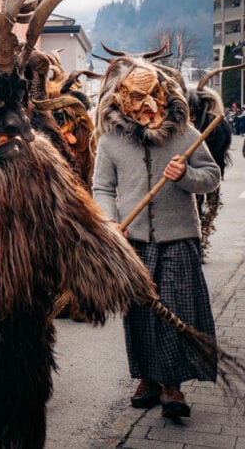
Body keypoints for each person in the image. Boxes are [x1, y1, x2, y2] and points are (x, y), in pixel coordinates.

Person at [93, 57, 221, 419]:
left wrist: (184, 177)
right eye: (138, 97)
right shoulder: (111, 140)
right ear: (121, 99)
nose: (149, 105)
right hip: (133, 242)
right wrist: (109, 221)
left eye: (154, 95)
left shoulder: (186, 134)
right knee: (141, 315)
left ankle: (173, 387)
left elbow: (211, 177)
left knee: (178, 312)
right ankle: (148, 378)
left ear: (164, 93)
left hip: (179, 237)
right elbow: (102, 187)